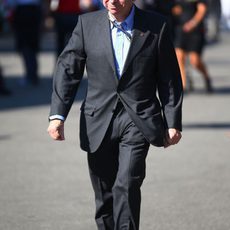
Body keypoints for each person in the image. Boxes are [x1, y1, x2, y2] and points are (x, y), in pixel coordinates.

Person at [47, 0, 183, 229]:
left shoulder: (155, 25)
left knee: (128, 184)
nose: (111, 1)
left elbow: (169, 77)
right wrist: (57, 116)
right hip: (97, 119)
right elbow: (68, 69)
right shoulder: (86, 24)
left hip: (138, 118)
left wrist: (173, 121)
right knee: (105, 195)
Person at [173, 0, 213, 93]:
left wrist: (192, 23)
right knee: (179, 57)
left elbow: (202, 10)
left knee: (194, 60)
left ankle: (206, 77)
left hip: (195, 32)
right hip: (180, 29)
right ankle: (183, 84)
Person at [7, 0, 42, 86]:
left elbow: (11, 3)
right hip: (34, 12)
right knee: (32, 44)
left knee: (25, 45)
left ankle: (30, 75)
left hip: (22, 12)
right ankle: (33, 74)